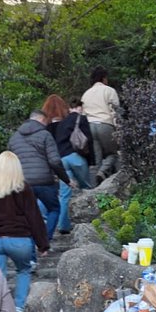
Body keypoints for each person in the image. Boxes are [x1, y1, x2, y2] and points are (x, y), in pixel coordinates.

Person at [0, 150, 49, 312]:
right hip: (19, 239)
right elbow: (34, 216)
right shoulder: (23, 188)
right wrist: (42, 244)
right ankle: (19, 307)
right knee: (23, 270)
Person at [7, 108, 72, 240]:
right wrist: (66, 180)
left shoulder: (14, 138)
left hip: (22, 183)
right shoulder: (45, 135)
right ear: (42, 120)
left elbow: (9, 161)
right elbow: (55, 161)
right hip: (44, 182)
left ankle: (31, 255)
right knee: (54, 209)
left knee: (27, 214)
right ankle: (44, 240)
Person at [49, 96, 93, 235]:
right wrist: (92, 162)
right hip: (76, 158)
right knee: (87, 188)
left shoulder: (62, 123)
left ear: (70, 108)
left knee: (64, 194)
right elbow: (88, 141)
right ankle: (90, 222)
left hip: (62, 160)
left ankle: (63, 226)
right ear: (80, 108)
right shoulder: (82, 119)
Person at [81, 67, 120, 181]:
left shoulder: (86, 94)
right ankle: (102, 172)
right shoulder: (109, 90)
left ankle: (94, 186)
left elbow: (83, 114)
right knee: (113, 153)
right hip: (105, 125)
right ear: (103, 78)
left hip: (90, 127)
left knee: (97, 159)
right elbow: (116, 111)